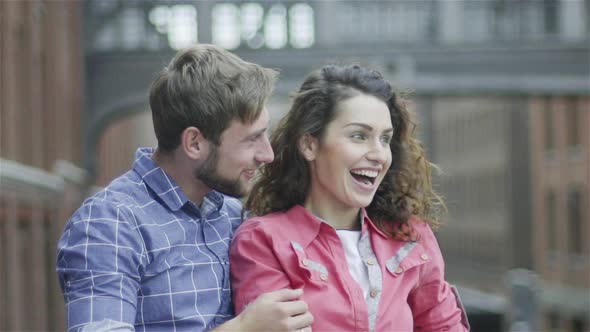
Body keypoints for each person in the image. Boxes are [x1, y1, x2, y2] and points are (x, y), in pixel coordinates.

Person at [56, 44, 313, 331]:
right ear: (194, 143)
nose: (267, 154)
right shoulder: (109, 223)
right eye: (252, 139)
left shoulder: (234, 216)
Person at [230, 64, 470, 331]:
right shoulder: (264, 242)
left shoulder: (411, 237)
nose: (379, 154)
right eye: (359, 136)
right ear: (310, 144)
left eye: (385, 139)